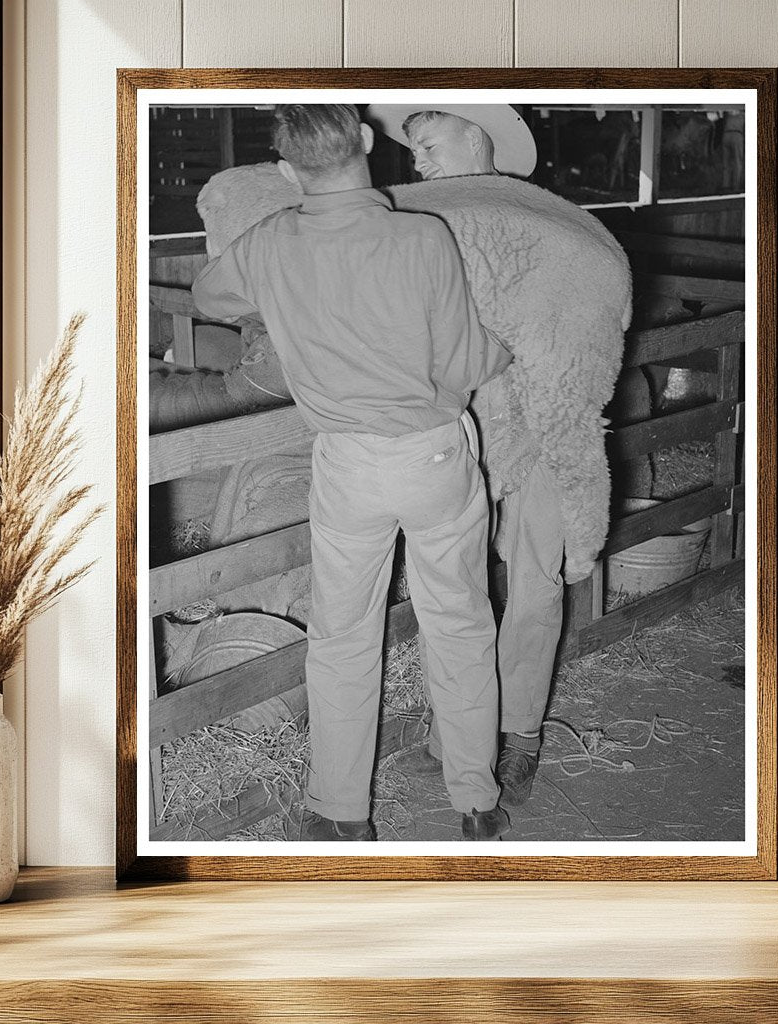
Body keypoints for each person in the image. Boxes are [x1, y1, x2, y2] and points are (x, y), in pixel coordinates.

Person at [192, 104, 513, 842]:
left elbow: (212, 296)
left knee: (341, 636)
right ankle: (475, 798)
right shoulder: (422, 237)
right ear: (366, 143)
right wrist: (500, 351)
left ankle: (341, 812)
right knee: (459, 621)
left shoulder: (272, 241)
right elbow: (467, 361)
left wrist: (283, 285)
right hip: (433, 454)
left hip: (346, 463)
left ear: (284, 169)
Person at [366, 104, 568, 809]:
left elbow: (568, 318)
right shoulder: (419, 222)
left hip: (540, 422)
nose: (417, 158)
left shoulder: (542, 220)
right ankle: (457, 730)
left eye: (429, 142)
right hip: (457, 424)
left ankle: (520, 732)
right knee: (451, 582)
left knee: (537, 580)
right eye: (412, 146)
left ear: (476, 135)